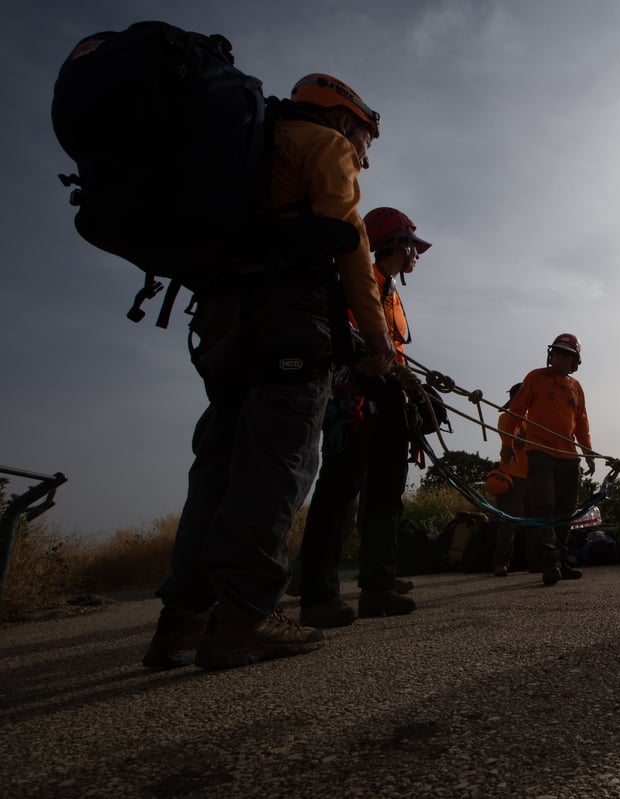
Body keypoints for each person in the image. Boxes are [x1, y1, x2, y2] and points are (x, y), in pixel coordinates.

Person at [142, 73, 394, 670]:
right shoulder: (321, 144)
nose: (364, 154)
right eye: (366, 139)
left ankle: (182, 620)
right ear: (345, 117)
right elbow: (350, 244)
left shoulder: (251, 148)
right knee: (277, 465)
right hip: (291, 318)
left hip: (225, 320)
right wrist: (376, 336)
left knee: (220, 466)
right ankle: (245, 620)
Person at [294, 207, 433, 628]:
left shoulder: (391, 293)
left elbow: (393, 349)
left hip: (390, 397)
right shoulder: (357, 282)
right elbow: (344, 341)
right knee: (340, 492)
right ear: (395, 243)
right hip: (356, 396)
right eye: (414, 246)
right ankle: (317, 594)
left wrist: (409, 384)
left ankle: (378, 588)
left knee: (387, 494)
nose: (417, 256)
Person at [503, 334, 596, 586]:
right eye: (557, 352)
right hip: (539, 452)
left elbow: (582, 423)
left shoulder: (576, 387)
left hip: (568, 455)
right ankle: (549, 562)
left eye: (567, 354)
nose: (561, 357)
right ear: (550, 355)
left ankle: (562, 560)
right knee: (544, 505)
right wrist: (506, 445)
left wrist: (587, 452)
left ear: (575, 361)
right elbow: (515, 411)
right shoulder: (535, 378)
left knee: (565, 509)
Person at [490, 383, 531, 577]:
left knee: (536, 520)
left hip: (534, 474)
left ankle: (536, 560)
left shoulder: (536, 418)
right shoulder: (505, 418)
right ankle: (501, 562)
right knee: (507, 522)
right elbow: (518, 440)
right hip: (512, 475)